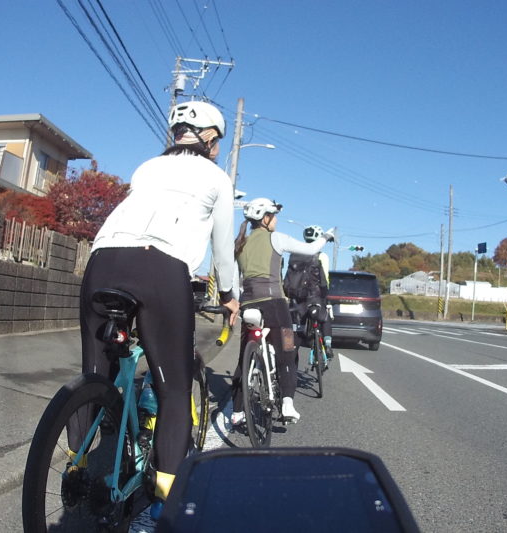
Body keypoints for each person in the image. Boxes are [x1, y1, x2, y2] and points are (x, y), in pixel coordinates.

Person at [76, 100, 240, 513]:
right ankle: (166, 496)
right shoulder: (217, 178)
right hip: (160, 266)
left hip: (102, 259)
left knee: (95, 375)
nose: (218, 147)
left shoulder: (146, 168)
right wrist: (228, 296)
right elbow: (222, 252)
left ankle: (75, 465)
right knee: (172, 388)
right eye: (218, 140)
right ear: (209, 137)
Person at [231, 198, 333, 425]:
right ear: (265, 218)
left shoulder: (240, 243)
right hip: (274, 304)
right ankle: (287, 403)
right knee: (287, 352)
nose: (276, 220)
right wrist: (326, 236)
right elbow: (310, 248)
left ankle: (237, 411)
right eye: (273, 216)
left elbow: (233, 279)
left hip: (248, 304)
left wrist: (237, 303)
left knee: (243, 358)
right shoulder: (275, 238)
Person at [286, 225, 335, 360]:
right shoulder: (321, 256)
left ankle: (289, 355)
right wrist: (326, 297)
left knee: (294, 329)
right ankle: (328, 344)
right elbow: (325, 279)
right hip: (315, 297)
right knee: (325, 317)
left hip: (296, 298)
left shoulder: (294, 255)